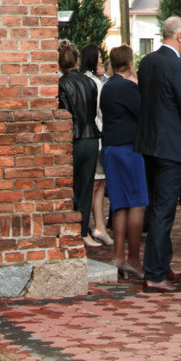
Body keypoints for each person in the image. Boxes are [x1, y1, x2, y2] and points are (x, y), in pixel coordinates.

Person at [135, 16, 181, 293]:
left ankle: (161, 266)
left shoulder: (147, 62)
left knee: (157, 207)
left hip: (149, 142)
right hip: (170, 146)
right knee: (164, 211)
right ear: (178, 36)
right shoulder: (177, 65)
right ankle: (154, 274)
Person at [100, 47, 149, 280]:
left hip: (110, 147)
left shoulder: (106, 86)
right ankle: (134, 260)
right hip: (128, 148)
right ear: (130, 65)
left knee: (119, 204)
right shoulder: (129, 87)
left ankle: (118, 257)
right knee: (138, 203)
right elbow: (144, 114)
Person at [57, 41, 101, 248]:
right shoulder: (90, 82)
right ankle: (82, 231)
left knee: (70, 187)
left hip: (73, 139)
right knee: (86, 186)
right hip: (91, 137)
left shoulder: (62, 84)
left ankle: (70, 231)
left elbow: (65, 114)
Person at [82, 44, 113, 247]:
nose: (101, 61)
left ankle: (99, 226)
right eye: (99, 58)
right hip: (96, 135)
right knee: (95, 184)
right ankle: (91, 226)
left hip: (95, 135)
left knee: (100, 183)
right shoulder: (93, 82)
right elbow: (101, 112)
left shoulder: (89, 80)